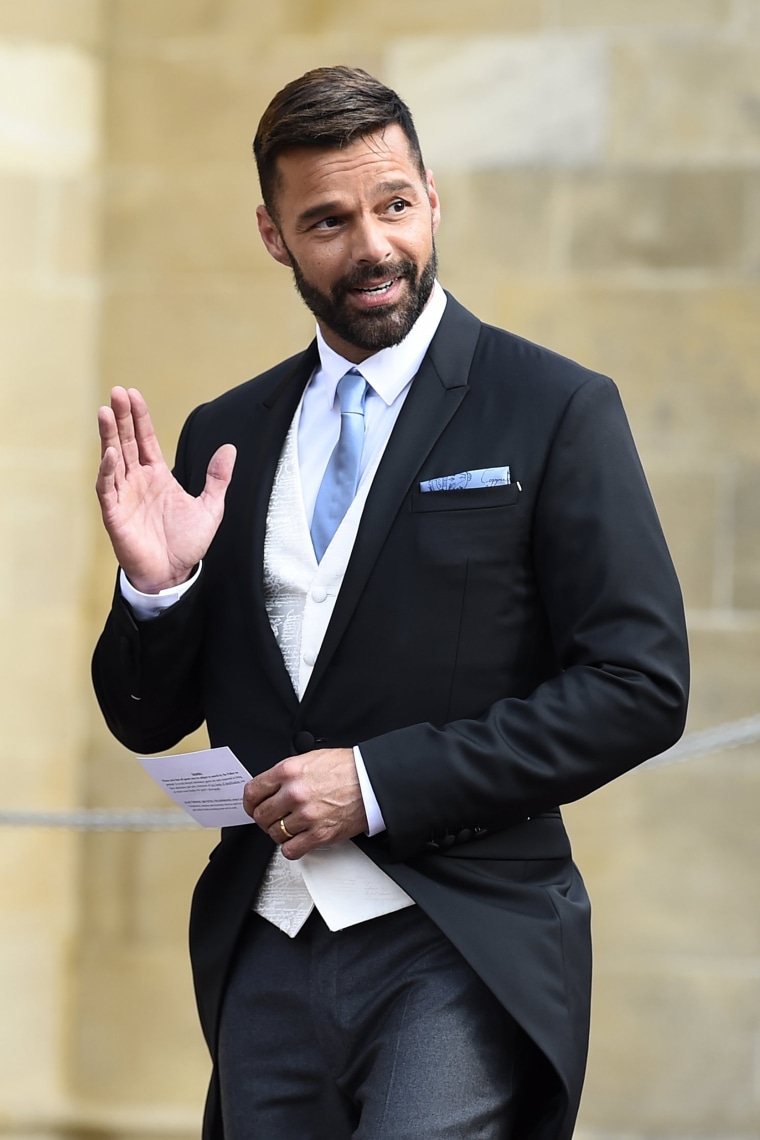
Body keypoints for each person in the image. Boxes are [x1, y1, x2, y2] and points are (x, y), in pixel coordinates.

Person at [92, 66, 689, 1140]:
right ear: (274, 236)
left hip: (458, 943)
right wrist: (156, 587)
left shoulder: (553, 409)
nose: (372, 246)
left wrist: (374, 783)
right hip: (263, 947)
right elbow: (144, 716)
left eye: (393, 206)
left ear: (430, 198)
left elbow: (637, 688)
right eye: (327, 220)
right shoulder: (229, 433)